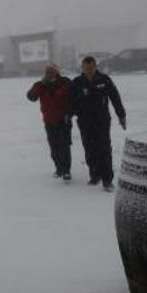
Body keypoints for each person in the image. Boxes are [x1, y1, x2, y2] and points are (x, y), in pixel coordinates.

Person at [68, 56, 126, 192]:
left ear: (95, 67)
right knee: (89, 148)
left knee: (104, 148)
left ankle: (107, 180)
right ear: (82, 68)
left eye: (92, 68)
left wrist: (121, 115)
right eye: (86, 68)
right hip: (84, 121)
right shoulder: (77, 82)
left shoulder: (104, 80)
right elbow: (70, 102)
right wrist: (69, 115)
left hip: (102, 120)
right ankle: (94, 175)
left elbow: (115, 97)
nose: (89, 70)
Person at [26, 63, 73, 181]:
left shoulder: (65, 82)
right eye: (47, 72)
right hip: (49, 121)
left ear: (57, 71)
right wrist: (40, 84)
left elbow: (74, 98)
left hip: (64, 120)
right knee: (54, 148)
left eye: (52, 71)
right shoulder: (41, 85)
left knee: (64, 146)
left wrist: (70, 112)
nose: (50, 73)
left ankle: (66, 171)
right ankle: (59, 169)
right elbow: (31, 97)